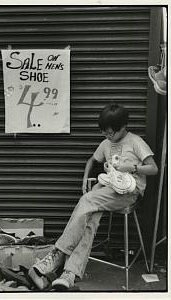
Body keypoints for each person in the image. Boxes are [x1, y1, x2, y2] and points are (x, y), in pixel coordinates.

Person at [29, 103, 158, 291]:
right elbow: (92, 160)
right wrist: (84, 178)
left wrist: (133, 168)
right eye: (104, 133)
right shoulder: (106, 143)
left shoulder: (135, 142)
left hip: (129, 193)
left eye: (110, 133)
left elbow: (153, 168)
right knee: (91, 218)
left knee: (88, 200)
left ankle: (56, 255)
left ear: (123, 127)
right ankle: (70, 273)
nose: (107, 136)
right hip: (108, 189)